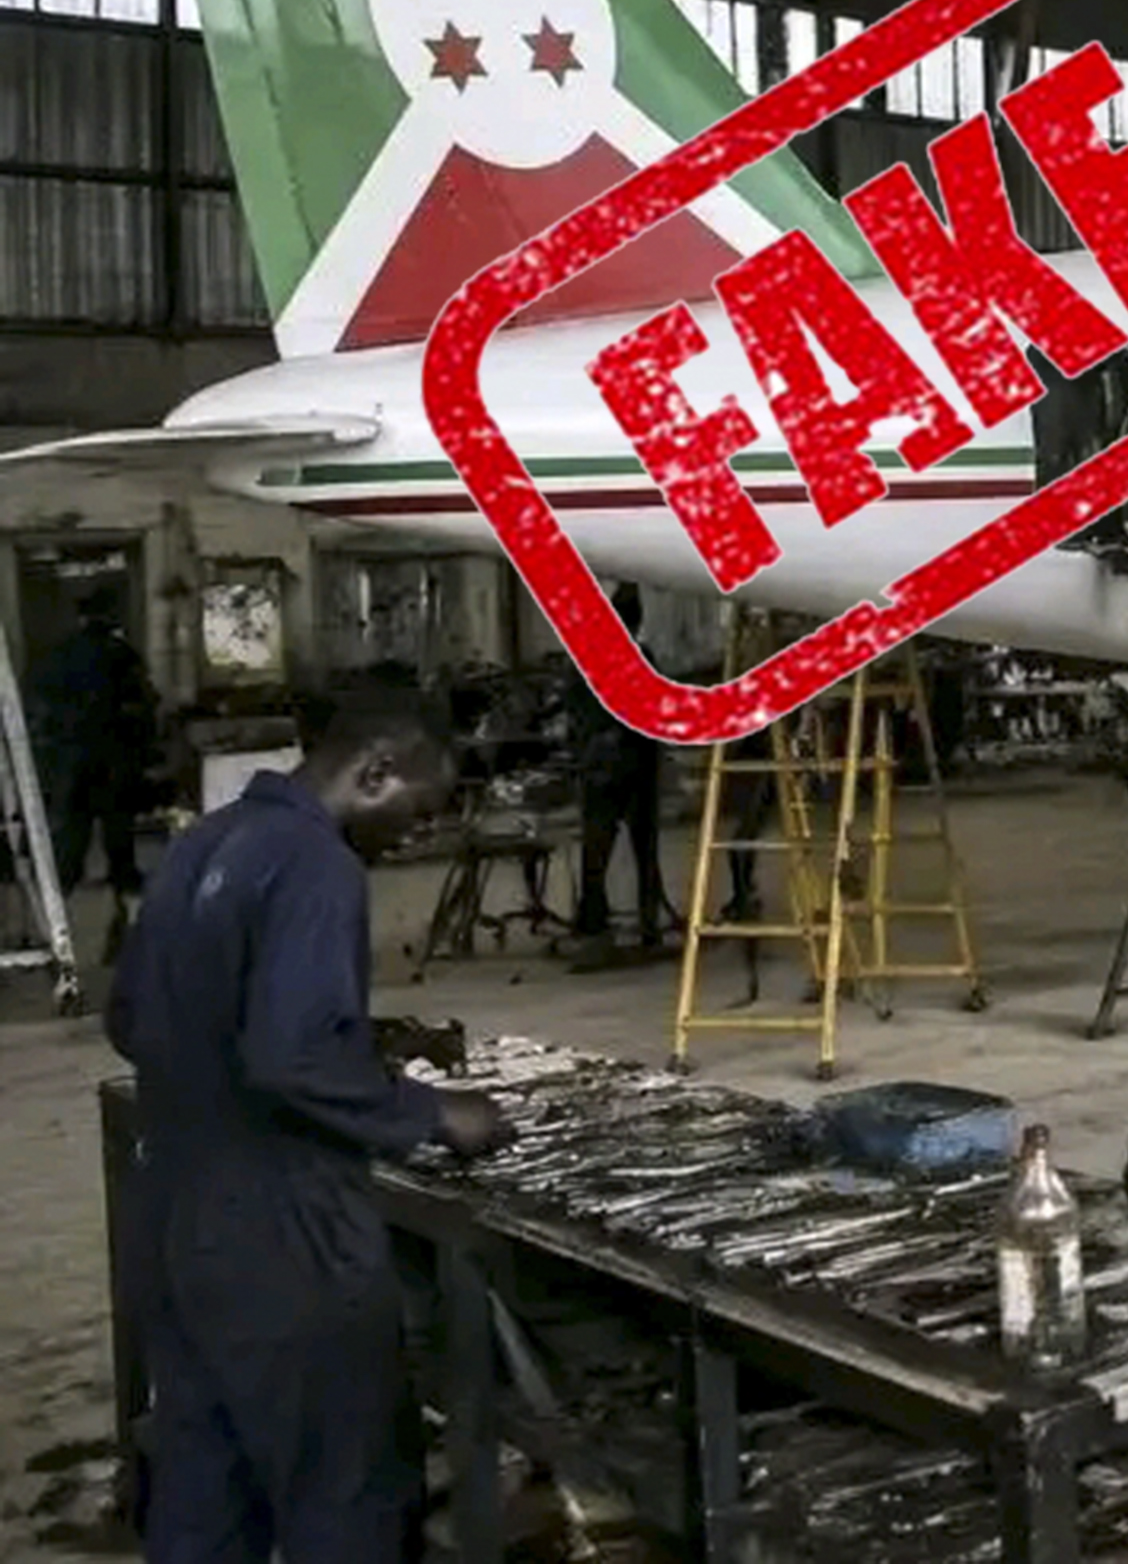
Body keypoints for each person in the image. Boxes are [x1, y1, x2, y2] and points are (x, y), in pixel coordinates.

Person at [106, 692, 510, 1564]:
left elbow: (133, 1017)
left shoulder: (204, 841)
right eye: (419, 811)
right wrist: (434, 1112)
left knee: (206, 1494)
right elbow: (288, 1058)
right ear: (376, 771)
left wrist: (356, 1038)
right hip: (284, 1233)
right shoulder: (318, 863)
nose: (415, 834)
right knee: (343, 1493)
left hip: (175, 1221)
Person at [27, 592, 163, 955]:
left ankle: (55, 920)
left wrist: (50, 751)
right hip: (114, 761)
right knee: (120, 840)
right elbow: (145, 704)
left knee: (71, 838)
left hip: (73, 761)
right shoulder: (121, 655)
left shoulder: (61, 656)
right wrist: (146, 751)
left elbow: (40, 706)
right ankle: (124, 918)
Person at [566, 582, 669, 968]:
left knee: (597, 852)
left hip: (603, 768)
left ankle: (596, 928)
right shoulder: (641, 657)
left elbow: (574, 709)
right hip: (634, 766)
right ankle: (647, 927)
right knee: (642, 853)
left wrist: (587, 746)